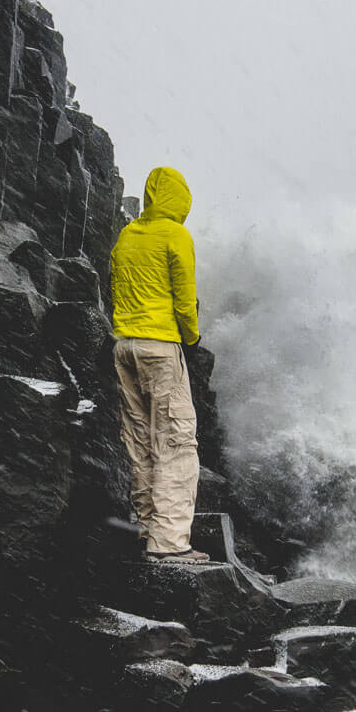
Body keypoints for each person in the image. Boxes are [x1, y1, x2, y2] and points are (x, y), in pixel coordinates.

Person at [110, 167, 208, 564]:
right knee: (175, 441)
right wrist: (192, 338)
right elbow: (185, 298)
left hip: (124, 347)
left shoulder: (128, 234)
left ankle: (148, 529)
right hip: (160, 347)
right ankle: (169, 544)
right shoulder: (176, 235)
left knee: (140, 441)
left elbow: (116, 285)